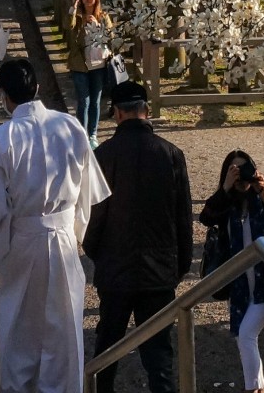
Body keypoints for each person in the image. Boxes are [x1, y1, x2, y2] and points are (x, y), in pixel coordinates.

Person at [0, 55, 109, 393]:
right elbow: (89, 187)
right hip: (61, 236)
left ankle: (10, 385)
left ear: (4, 94)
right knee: (61, 325)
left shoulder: (2, 138)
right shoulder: (70, 126)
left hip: (22, 241)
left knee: (15, 321)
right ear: (38, 88)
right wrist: (75, 228)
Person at [83, 79, 193, 393]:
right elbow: (183, 217)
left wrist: (98, 254)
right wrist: (178, 265)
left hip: (115, 266)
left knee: (106, 350)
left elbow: (94, 218)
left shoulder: (104, 155)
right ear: (146, 110)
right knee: (159, 356)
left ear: (116, 113)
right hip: (159, 269)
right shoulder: (171, 154)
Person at [199, 151, 264, 393]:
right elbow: (205, 218)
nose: (240, 176)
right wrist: (224, 188)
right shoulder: (226, 204)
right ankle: (261, 388)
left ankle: (251, 389)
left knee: (246, 335)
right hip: (238, 285)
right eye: (234, 170)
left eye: (244, 169)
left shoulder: (260, 200)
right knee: (242, 337)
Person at [64, 0, 113, 147]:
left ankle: (93, 134)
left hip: (98, 64)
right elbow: (68, 26)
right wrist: (74, 5)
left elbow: (111, 36)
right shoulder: (77, 16)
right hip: (80, 65)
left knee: (95, 101)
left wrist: (98, 26)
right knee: (83, 101)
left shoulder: (103, 16)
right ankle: (81, 134)